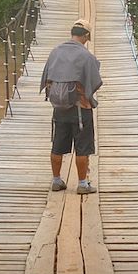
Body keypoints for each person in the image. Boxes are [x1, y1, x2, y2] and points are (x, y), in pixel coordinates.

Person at [40, 18, 102, 194]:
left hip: (59, 108)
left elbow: (47, 78)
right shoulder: (86, 56)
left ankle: (56, 180)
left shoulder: (55, 52)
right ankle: (82, 184)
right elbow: (95, 81)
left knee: (57, 144)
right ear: (86, 36)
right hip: (81, 108)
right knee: (83, 147)